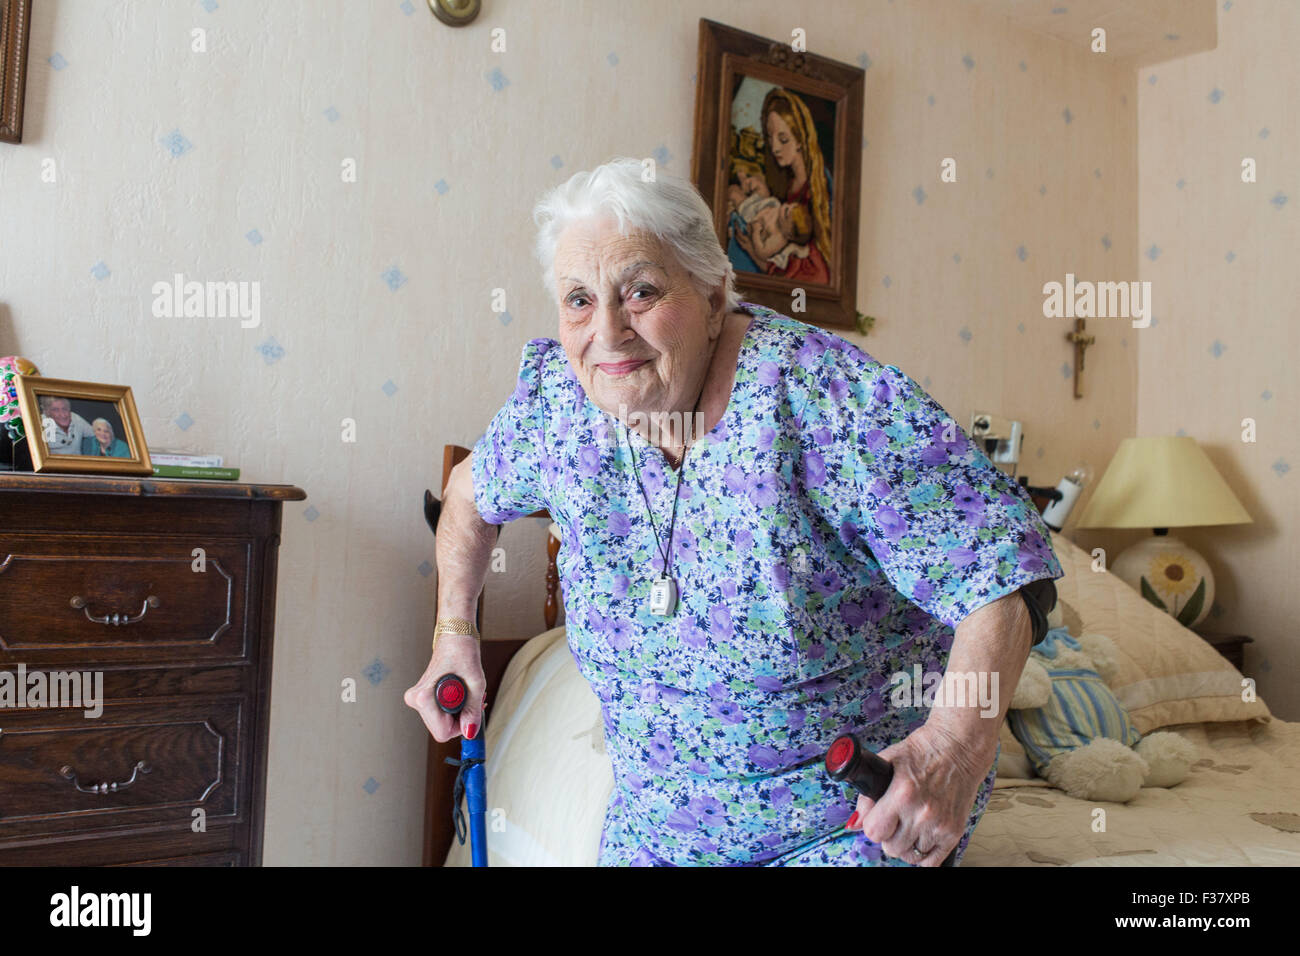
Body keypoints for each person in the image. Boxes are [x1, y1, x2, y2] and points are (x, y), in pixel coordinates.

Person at [405, 158, 1064, 867]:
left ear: (715, 296)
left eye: (641, 291)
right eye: (578, 300)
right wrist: (454, 636)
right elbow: (467, 496)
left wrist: (952, 751)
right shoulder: (558, 410)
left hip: (851, 826)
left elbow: (1006, 567)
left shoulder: (826, 400)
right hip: (654, 834)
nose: (608, 331)